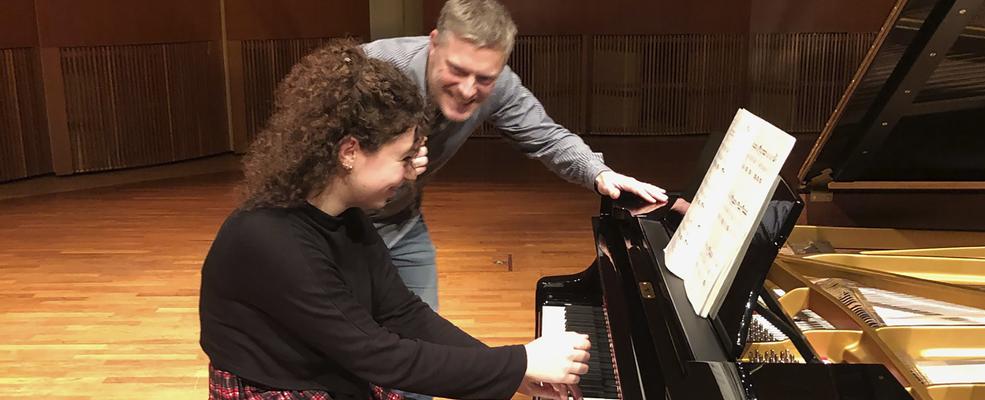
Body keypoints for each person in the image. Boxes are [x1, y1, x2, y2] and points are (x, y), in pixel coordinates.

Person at [199, 40, 591, 400]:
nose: (410, 173)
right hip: (281, 388)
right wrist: (518, 361)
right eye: (403, 158)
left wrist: (512, 374)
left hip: (327, 371)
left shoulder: (346, 214)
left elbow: (402, 313)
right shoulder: (271, 239)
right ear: (350, 151)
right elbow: (378, 355)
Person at [364, 0, 671, 315]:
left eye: (484, 78)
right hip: (334, 225)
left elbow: (548, 136)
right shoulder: (372, 69)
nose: (469, 90)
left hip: (402, 221)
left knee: (423, 334)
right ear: (434, 43)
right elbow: (314, 148)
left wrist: (600, 173)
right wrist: (382, 164)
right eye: (457, 70)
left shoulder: (499, 86)